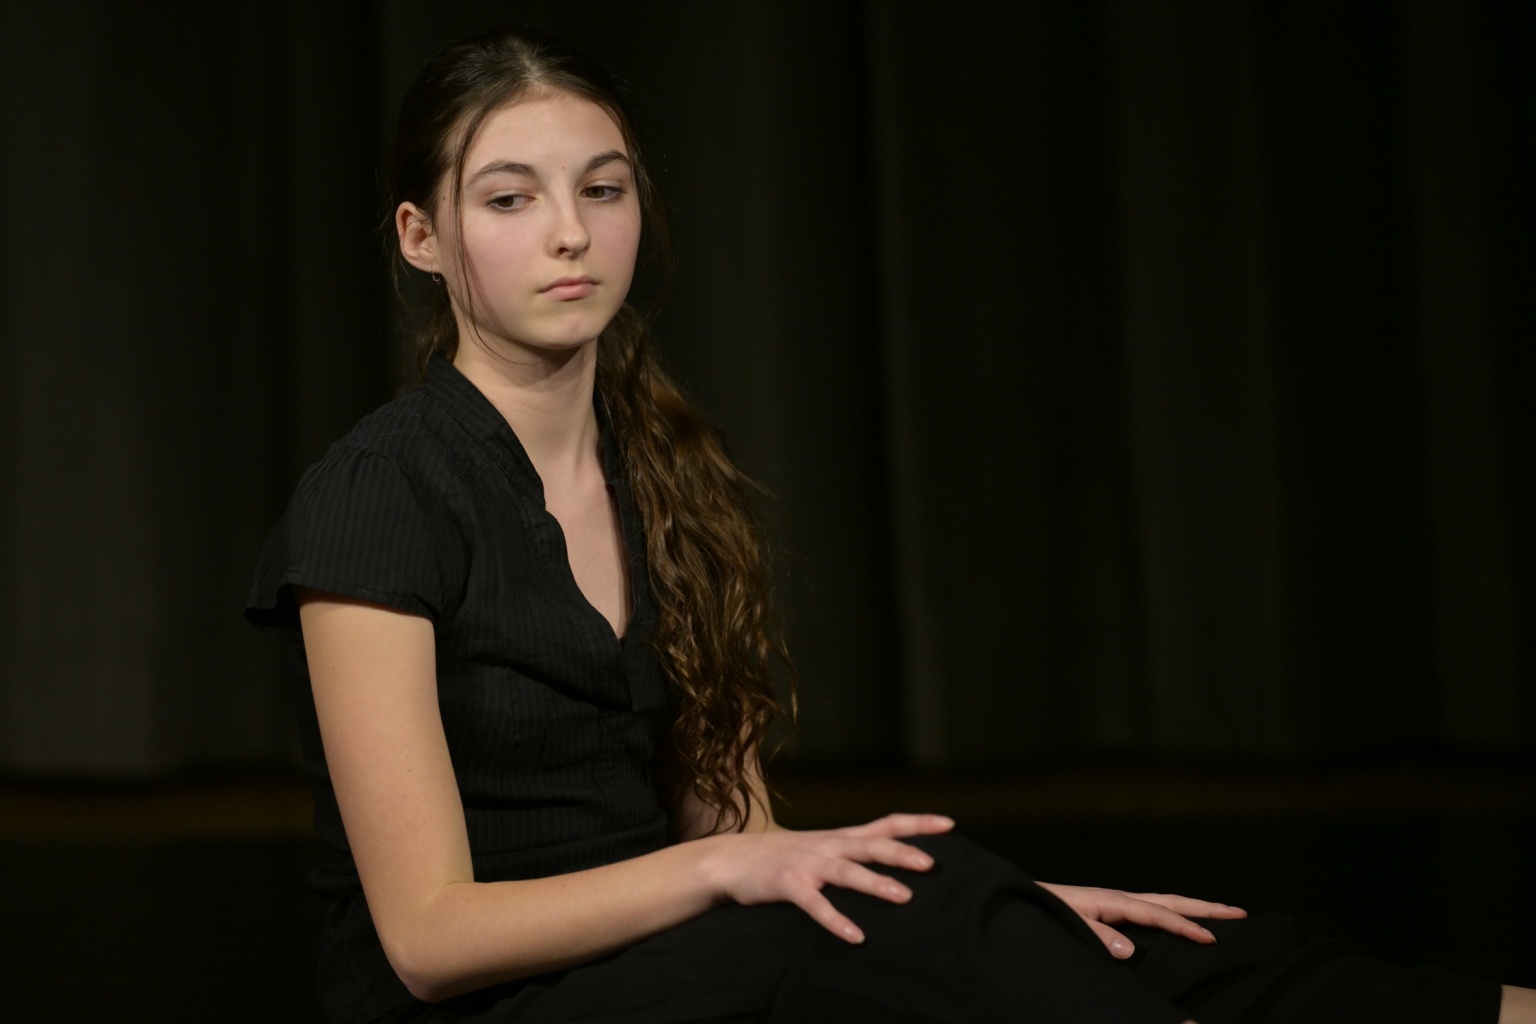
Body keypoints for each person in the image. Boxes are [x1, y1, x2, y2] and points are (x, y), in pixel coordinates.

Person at [247, 26, 1531, 1024]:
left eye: (604, 187)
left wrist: (1012, 919)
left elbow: (739, 838)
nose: (572, 233)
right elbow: (428, 938)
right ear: (422, 236)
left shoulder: (666, 469)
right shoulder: (378, 495)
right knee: (933, 918)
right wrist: (774, 886)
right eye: (510, 199)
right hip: (501, 1004)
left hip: (681, 957)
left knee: (1158, 940)